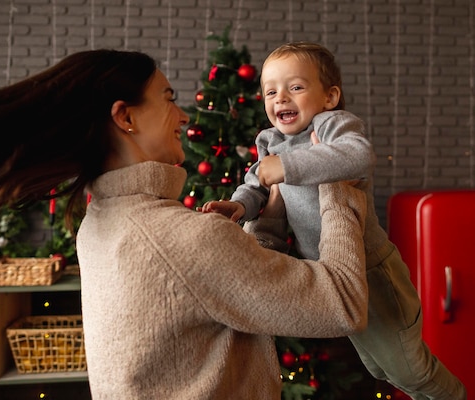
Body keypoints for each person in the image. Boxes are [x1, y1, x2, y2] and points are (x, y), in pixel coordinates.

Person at [0, 49, 369, 399]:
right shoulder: (183, 236)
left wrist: (269, 209)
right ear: (125, 117)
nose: (184, 116)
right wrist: (331, 176)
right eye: (168, 98)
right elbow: (343, 305)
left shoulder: (101, 221)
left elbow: (237, 283)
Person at [200, 42, 467, 400]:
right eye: (270, 91)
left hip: (372, 272)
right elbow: (257, 182)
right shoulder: (271, 140)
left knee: (412, 370)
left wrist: (288, 167)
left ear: (329, 97)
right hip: (336, 274)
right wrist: (238, 206)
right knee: (379, 367)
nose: (281, 98)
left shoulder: (331, 125)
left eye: (295, 87)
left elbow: (357, 156)